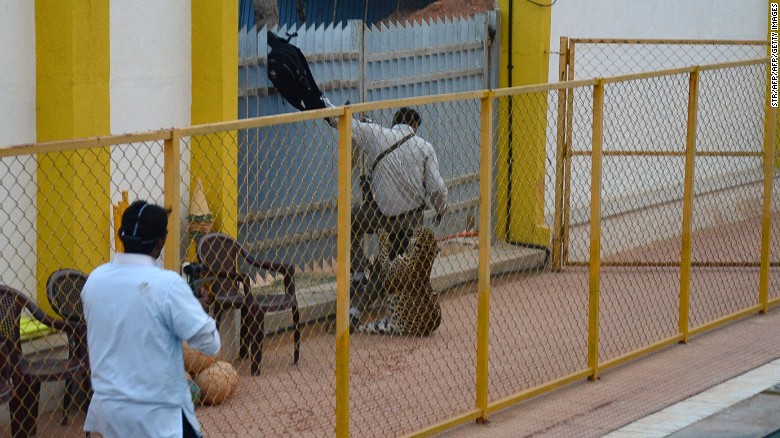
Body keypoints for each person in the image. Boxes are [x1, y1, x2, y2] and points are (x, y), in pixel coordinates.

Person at [81, 200, 221, 438]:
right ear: (161, 241)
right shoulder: (168, 285)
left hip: (109, 410)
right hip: (157, 415)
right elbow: (210, 343)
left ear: (121, 235)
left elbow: (130, 314)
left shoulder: (94, 280)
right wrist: (193, 308)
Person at [328, 106, 448, 326]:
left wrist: (327, 111)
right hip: (410, 220)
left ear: (394, 122)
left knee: (350, 220)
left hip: (380, 215)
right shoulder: (424, 146)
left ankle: (357, 274)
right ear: (414, 126)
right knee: (390, 265)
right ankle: (360, 306)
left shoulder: (378, 134)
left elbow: (348, 124)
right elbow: (437, 188)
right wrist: (440, 209)